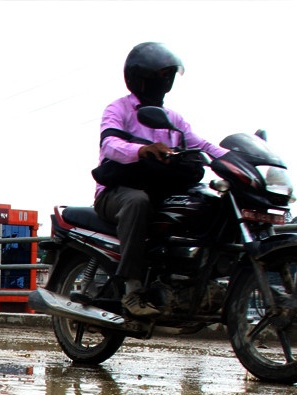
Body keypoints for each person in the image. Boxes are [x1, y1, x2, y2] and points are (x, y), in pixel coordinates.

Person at [93, 42, 227, 317]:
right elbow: (109, 145)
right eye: (159, 75)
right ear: (139, 77)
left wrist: (237, 160)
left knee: (204, 202)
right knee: (138, 202)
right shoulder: (119, 109)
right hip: (116, 193)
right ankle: (132, 290)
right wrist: (141, 150)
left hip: (161, 192)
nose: (165, 81)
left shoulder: (173, 119)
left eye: (168, 75)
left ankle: (189, 277)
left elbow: (201, 145)